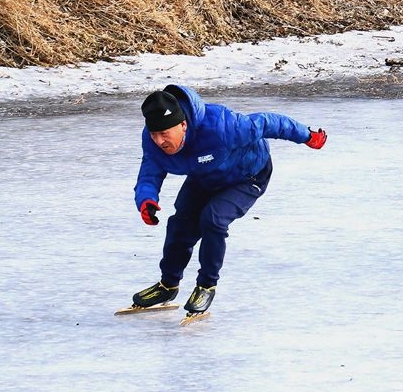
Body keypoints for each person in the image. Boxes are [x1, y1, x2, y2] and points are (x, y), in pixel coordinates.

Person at [132, 85, 327, 316]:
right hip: (204, 178)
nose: (159, 141)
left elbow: (267, 122)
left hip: (247, 176)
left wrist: (307, 136)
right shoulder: (152, 142)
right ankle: (168, 285)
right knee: (180, 225)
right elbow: (149, 171)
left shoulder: (221, 126)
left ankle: (206, 285)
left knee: (213, 219)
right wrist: (146, 200)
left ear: (183, 125)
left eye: (165, 134)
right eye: (154, 134)